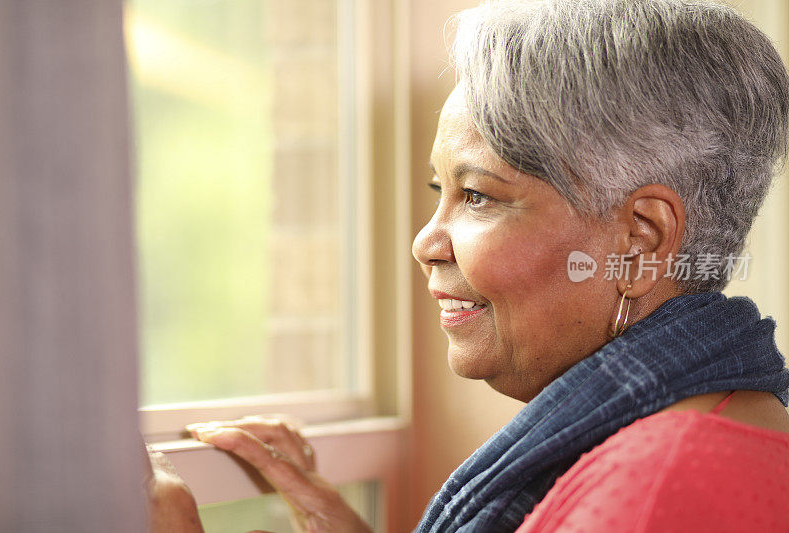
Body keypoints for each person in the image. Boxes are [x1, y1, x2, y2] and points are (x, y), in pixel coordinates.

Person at [147, 0, 789, 531]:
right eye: (439, 192)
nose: (426, 242)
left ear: (642, 240)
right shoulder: (731, 423)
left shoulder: (653, 488)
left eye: (478, 195)